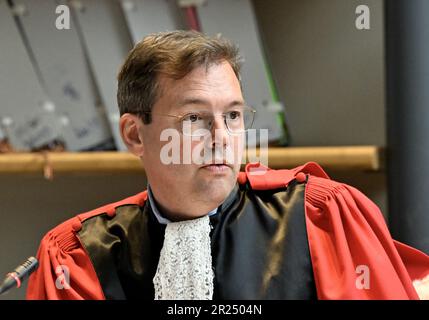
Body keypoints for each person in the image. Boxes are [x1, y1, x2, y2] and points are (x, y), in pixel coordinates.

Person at [27, 30, 429, 300]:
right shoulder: (78, 257)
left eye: (233, 116)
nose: (222, 136)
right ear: (134, 134)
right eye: (195, 119)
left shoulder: (322, 218)